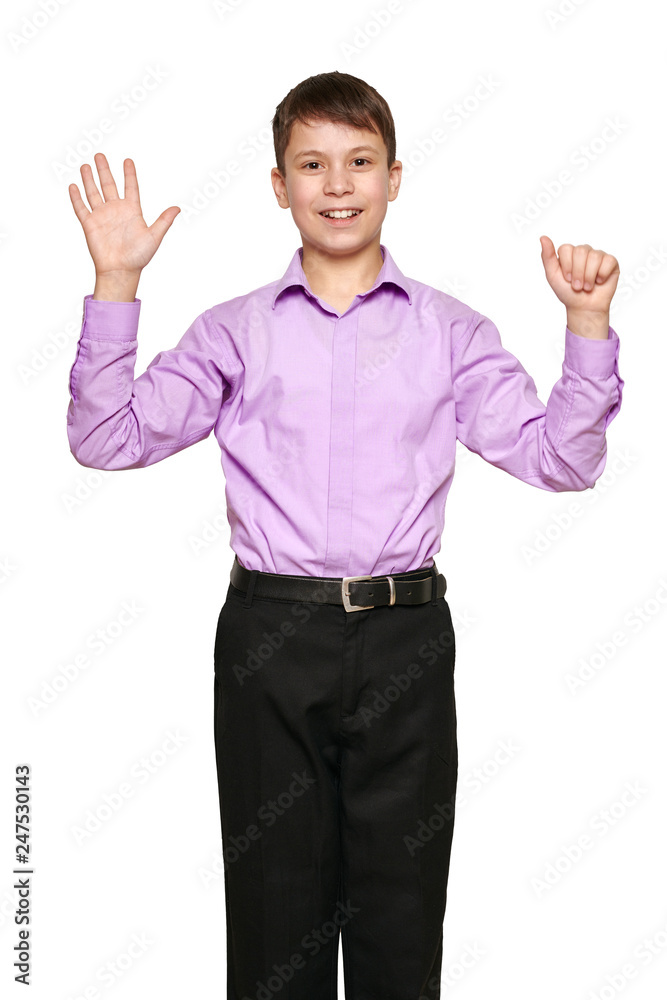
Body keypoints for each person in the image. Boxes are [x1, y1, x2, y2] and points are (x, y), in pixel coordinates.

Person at [66, 71, 624, 1000]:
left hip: (405, 637)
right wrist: (117, 282)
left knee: (399, 917)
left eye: (359, 162)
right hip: (270, 640)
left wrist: (586, 326)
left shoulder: (448, 330)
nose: (336, 184)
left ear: (393, 178)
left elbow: (559, 461)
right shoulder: (234, 332)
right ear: (277, 184)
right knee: (274, 917)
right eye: (311, 164)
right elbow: (106, 439)